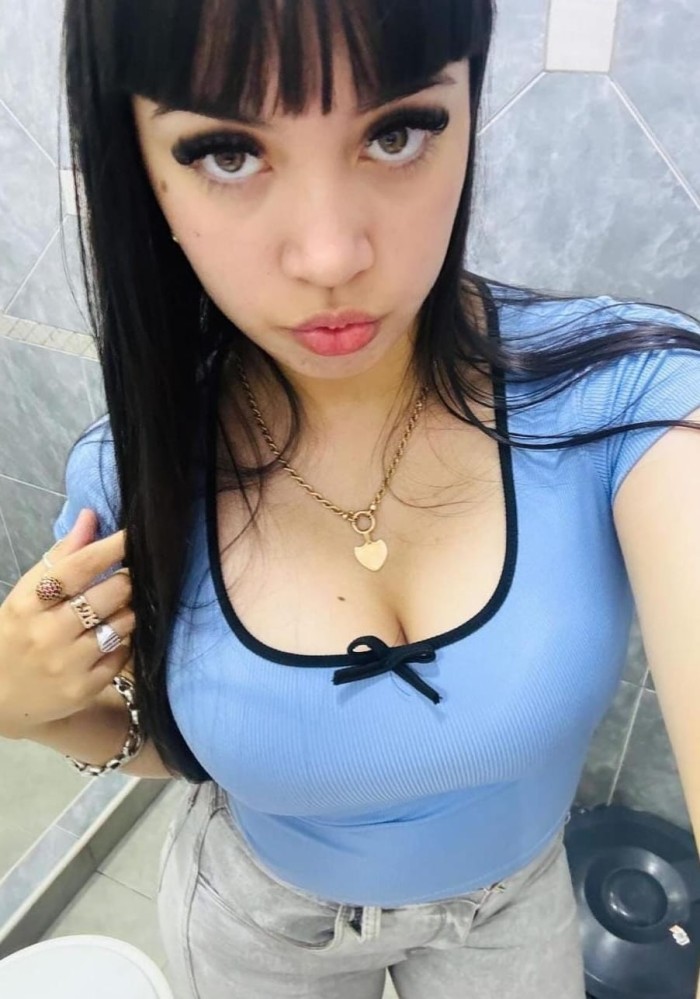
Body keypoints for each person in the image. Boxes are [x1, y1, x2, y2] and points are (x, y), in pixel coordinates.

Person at [1, 2, 699, 997]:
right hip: (261, 922)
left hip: (507, 911)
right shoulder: (132, 474)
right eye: (227, 152)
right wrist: (22, 707)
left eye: (397, 131)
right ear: (140, 164)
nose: (330, 256)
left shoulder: (629, 403)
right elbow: (183, 747)